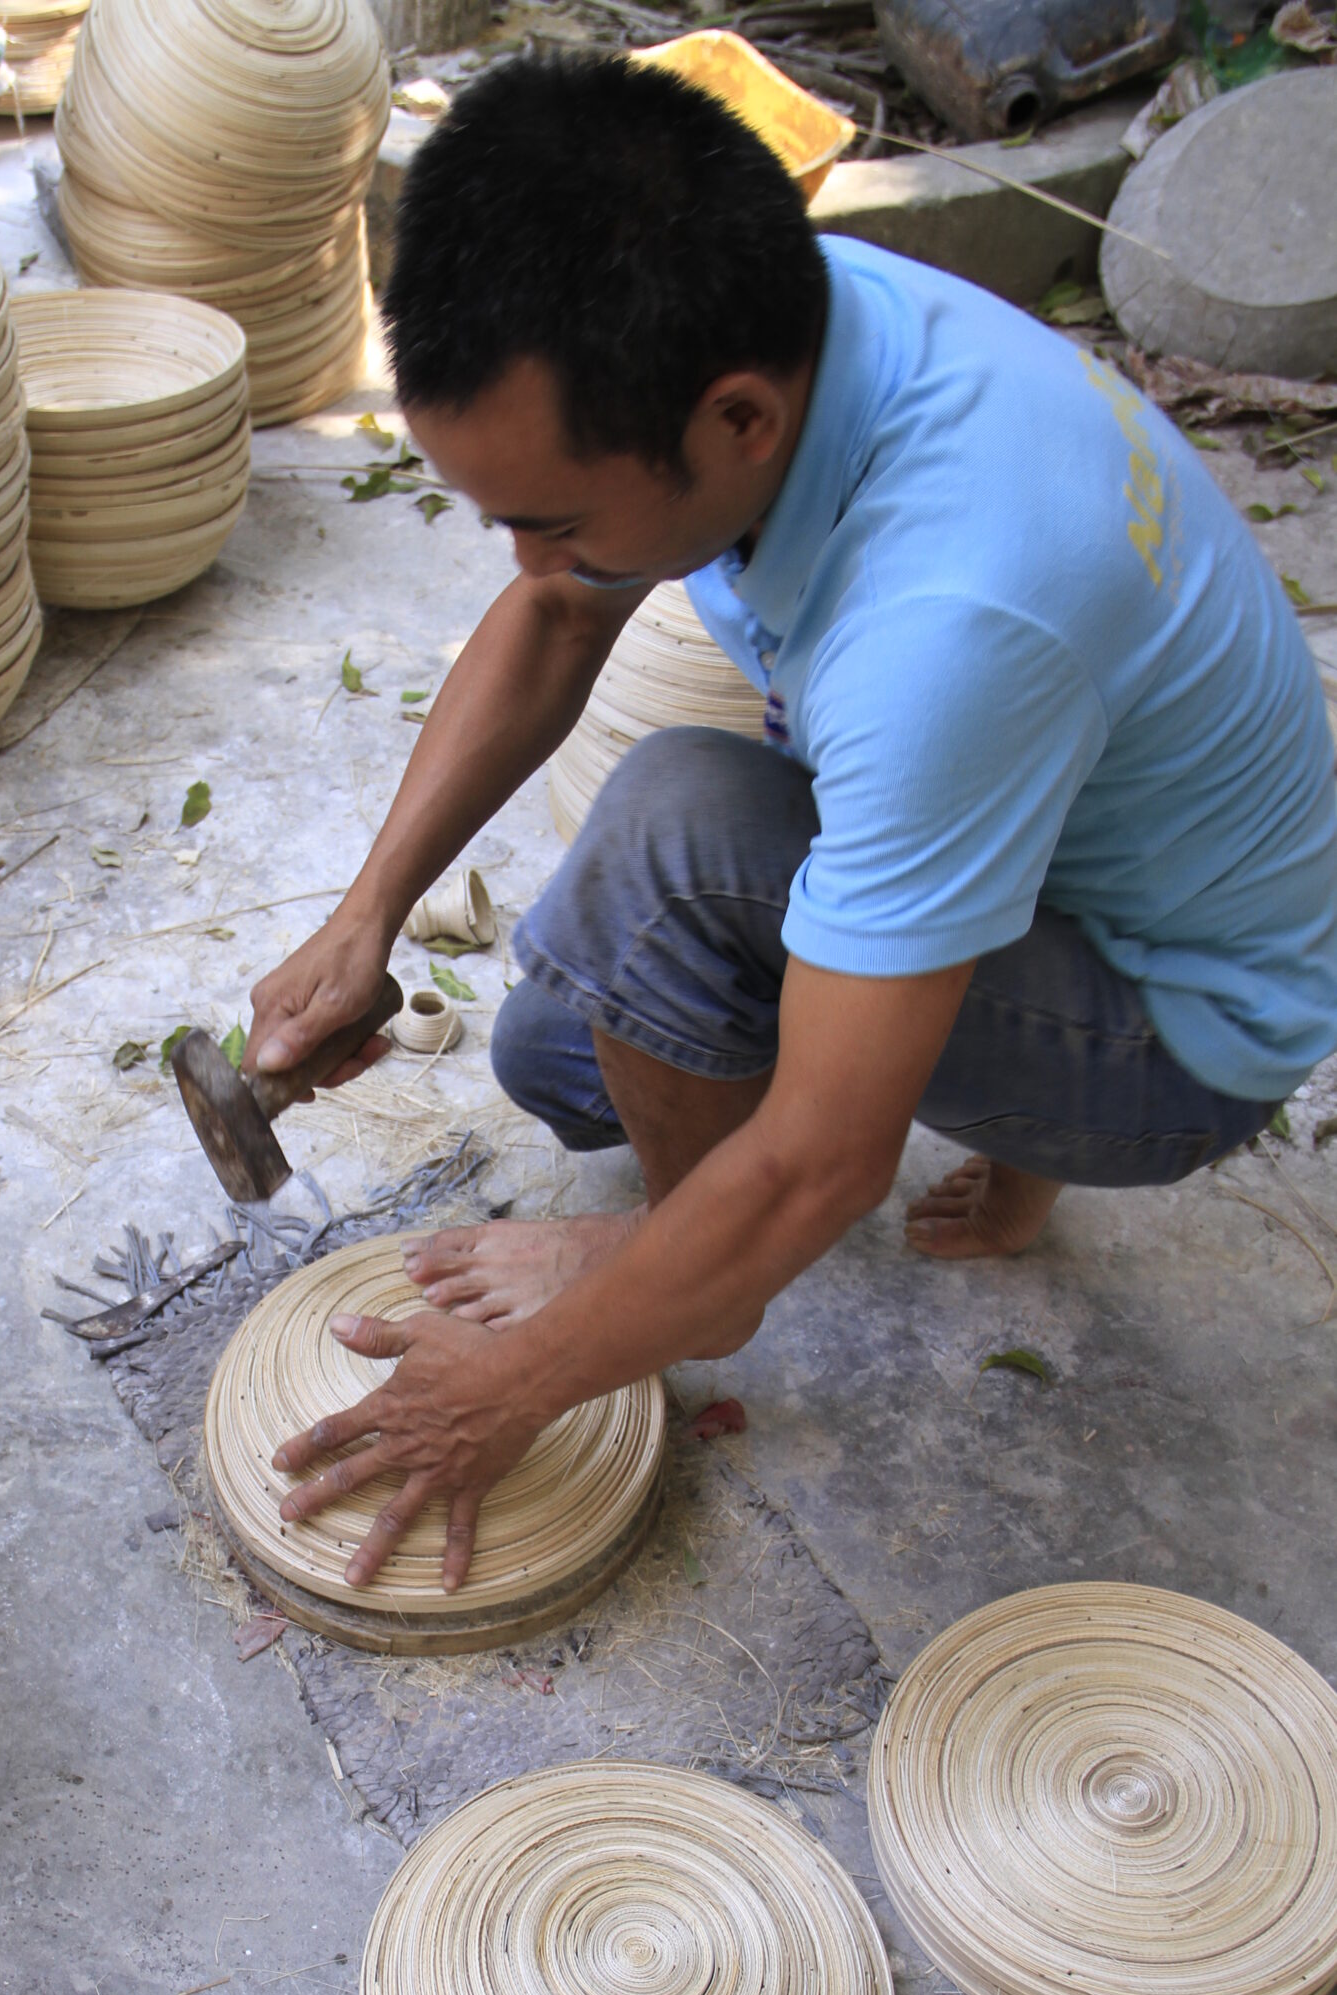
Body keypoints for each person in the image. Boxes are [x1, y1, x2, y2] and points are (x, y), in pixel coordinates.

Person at [243, 51, 1337, 1595]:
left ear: (737, 422)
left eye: (549, 514)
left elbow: (827, 1161)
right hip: (1076, 845)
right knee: (556, 1058)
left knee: (663, 846)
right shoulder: (780, 314)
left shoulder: (952, 618)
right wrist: (364, 923)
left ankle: (731, 1268)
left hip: (1177, 1033)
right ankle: (873, 1180)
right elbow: (557, 614)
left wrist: (523, 1375)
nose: (526, 557)